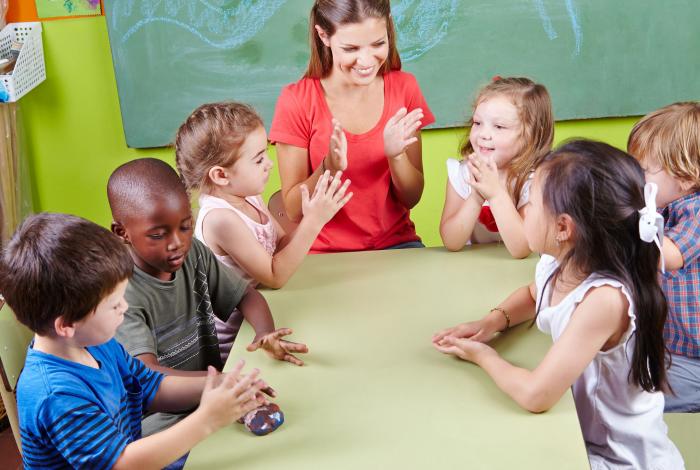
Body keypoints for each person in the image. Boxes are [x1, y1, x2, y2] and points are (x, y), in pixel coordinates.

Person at [433, 140, 683, 469]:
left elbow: (536, 395)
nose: (524, 210)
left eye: (531, 203)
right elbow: (534, 294)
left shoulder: (605, 300)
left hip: (618, 457)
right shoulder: (561, 261)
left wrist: (483, 355)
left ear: (563, 227)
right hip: (579, 435)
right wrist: (491, 322)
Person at [0, 213, 269, 469]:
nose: (125, 307)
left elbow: (150, 387)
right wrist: (207, 420)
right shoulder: (55, 395)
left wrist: (219, 385)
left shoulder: (93, 342)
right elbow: (122, 464)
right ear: (67, 324)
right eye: (114, 305)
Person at [107, 158, 307, 439]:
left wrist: (265, 333)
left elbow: (246, 295)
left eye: (186, 226)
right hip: (160, 420)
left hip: (210, 394)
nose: (177, 242)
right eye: (157, 234)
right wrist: (220, 384)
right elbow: (149, 380)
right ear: (122, 233)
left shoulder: (193, 255)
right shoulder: (120, 296)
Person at [269, 0, 435, 252]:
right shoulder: (297, 100)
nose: (366, 60)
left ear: (388, 27)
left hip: (396, 245)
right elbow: (292, 210)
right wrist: (328, 168)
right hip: (322, 253)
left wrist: (396, 155)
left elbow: (412, 198)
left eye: (378, 44)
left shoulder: (404, 88)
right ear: (324, 36)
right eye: (351, 48)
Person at [175, 101, 352, 291]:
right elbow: (274, 277)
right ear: (221, 175)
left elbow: (281, 245)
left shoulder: (249, 198)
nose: (269, 164)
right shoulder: (220, 219)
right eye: (259, 159)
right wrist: (314, 221)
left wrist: (313, 212)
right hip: (235, 320)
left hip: (262, 304)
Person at [627, 101, 700, 412]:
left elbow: (667, 255)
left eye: (642, 170)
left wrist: (619, 230)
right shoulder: (663, 209)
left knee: (643, 402)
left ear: (685, 178)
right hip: (671, 348)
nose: (634, 178)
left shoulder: (696, 212)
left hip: (694, 360)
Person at [440, 77, 553, 258]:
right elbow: (451, 242)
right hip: (473, 270)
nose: (483, 134)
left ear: (530, 135)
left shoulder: (534, 180)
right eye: (477, 123)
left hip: (522, 274)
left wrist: (495, 194)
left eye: (499, 126)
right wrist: (476, 196)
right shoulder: (461, 174)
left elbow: (522, 248)